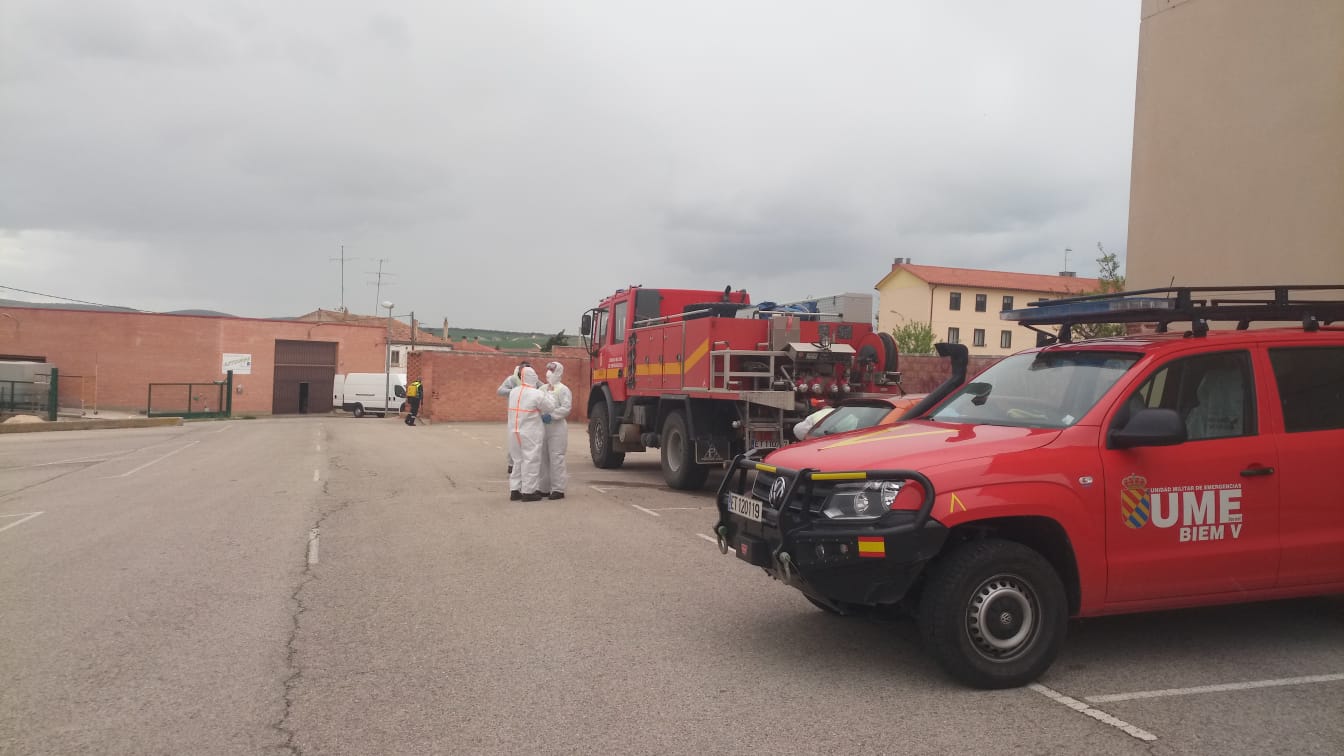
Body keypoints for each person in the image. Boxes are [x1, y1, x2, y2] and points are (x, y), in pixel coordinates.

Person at [506, 366, 557, 502]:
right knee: (531, 460)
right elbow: (550, 407)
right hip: (530, 432)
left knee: (518, 460)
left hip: (513, 431)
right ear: (533, 377)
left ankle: (515, 490)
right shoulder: (536, 394)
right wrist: (550, 393)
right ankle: (529, 492)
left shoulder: (514, 392)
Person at [537, 361, 572, 500]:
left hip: (557, 428)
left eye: (552, 370)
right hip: (543, 427)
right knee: (543, 457)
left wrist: (552, 416)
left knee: (556, 457)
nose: (549, 373)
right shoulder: (542, 389)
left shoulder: (563, 389)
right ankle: (544, 488)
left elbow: (566, 408)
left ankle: (558, 489)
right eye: (548, 370)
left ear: (559, 372)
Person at [497, 361, 533, 473]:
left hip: (528, 416)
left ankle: (526, 464)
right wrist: (515, 391)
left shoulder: (533, 380)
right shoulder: (512, 379)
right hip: (515, 415)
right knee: (514, 441)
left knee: (528, 441)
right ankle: (511, 464)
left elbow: (542, 388)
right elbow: (500, 391)